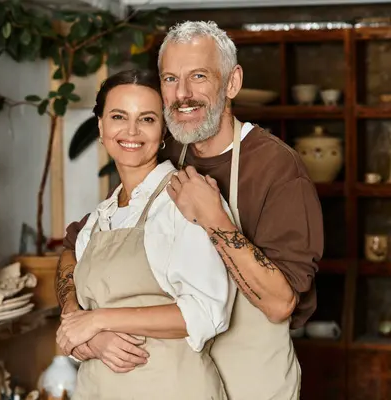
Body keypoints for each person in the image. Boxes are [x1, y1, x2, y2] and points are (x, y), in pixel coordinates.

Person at [56, 21, 324, 399]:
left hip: (252, 383)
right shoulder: (165, 151)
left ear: (232, 83)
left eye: (199, 76)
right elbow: (76, 246)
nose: (183, 94)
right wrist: (76, 320)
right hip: (181, 379)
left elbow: (280, 304)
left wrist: (213, 218)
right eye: (170, 78)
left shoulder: (276, 169)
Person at [56, 68, 237, 399]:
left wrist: (98, 321)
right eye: (118, 116)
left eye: (147, 119)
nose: (131, 130)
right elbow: (75, 324)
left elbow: (206, 313)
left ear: (164, 129)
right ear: (101, 125)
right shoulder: (99, 219)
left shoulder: (183, 200)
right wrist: (90, 339)